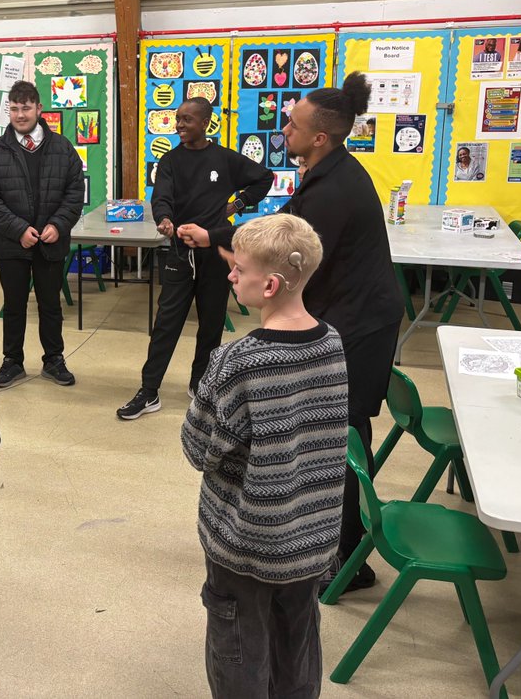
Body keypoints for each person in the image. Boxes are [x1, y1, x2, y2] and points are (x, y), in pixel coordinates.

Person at [179, 71, 403, 595]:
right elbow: (281, 225)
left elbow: (290, 251)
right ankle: (342, 548)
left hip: (360, 328)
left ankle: (347, 560)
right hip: (350, 318)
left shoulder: (336, 188)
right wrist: (217, 235)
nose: (284, 127)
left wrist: (229, 247)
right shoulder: (326, 173)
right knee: (338, 436)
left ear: (319, 136)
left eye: (293, 122)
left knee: (342, 438)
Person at [182, 213, 348, 699]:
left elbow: (197, 448)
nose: (230, 274)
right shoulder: (334, 345)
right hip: (308, 540)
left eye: (240, 270)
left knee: (238, 650)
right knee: (297, 642)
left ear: (271, 284)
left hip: (244, 545)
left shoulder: (239, 361)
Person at [117, 97, 272, 421]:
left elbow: (264, 178)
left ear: (205, 122)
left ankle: (200, 385)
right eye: (177, 119)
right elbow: (162, 196)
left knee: (212, 322)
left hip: (215, 253)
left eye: (187, 119)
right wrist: (165, 219)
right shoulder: (170, 160)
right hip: (178, 252)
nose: (179, 125)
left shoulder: (225, 159)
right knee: (166, 324)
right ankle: (149, 391)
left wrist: (238, 203)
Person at [0, 80, 85, 388]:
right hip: (12, 244)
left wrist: (58, 225)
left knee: (50, 304)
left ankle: (54, 360)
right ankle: (12, 361)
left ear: (39, 109)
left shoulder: (62, 147)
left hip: (51, 243)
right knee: (13, 305)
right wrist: (19, 229)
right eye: (14, 108)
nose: (20, 115)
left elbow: (75, 192)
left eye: (26, 108)